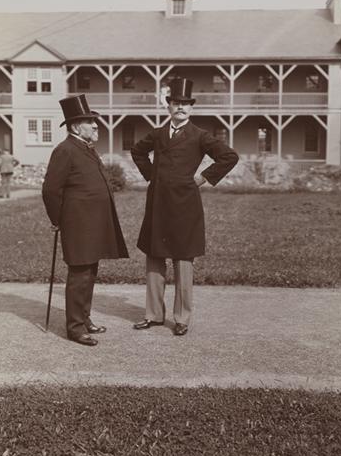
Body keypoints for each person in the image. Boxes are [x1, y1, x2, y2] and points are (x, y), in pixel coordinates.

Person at [131, 78, 239, 336]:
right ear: (168, 106)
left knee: (182, 260)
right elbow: (137, 151)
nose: (180, 107)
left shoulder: (200, 135)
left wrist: (203, 177)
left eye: (186, 104)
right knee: (154, 257)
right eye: (176, 103)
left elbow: (229, 157)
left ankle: (182, 318)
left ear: (191, 108)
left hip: (185, 205)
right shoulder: (158, 134)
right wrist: (152, 175)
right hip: (158, 203)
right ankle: (154, 314)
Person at [42, 94, 129, 346]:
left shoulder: (85, 148)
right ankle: (75, 328)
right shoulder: (65, 150)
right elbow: (50, 190)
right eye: (89, 122)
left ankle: (84, 318)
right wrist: (58, 219)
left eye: (94, 121)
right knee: (80, 274)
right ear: (74, 127)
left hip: (92, 224)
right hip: (78, 224)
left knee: (90, 272)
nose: (95, 125)